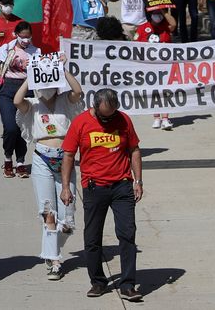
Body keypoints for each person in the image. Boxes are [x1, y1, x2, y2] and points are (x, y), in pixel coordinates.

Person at [61, 88, 144, 301]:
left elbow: (134, 149)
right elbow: (69, 155)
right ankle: (98, 282)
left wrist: (138, 180)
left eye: (112, 115)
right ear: (95, 107)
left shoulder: (123, 120)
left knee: (127, 234)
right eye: (104, 116)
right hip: (94, 187)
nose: (108, 120)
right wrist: (65, 187)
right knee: (92, 238)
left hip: (122, 186)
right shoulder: (80, 123)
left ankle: (127, 285)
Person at [14, 68, 85, 280]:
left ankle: (50, 245)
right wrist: (30, 75)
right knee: (48, 212)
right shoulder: (33, 104)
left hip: (65, 158)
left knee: (67, 219)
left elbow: (78, 91)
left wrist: (63, 70)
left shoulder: (66, 99)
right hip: (42, 157)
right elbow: (17, 101)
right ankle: (54, 259)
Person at [0, 21, 39, 178]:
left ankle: (20, 161)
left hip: (26, 91)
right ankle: (8, 158)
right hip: (7, 89)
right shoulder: (6, 49)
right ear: (16, 35)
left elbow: (42, 71)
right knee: (10, 127)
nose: (26, 40)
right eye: (23, 37)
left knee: (22, 128)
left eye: (29, 37)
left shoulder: (36, 51)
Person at [135, 9, 177, 130]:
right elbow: (135, 45)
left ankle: (165, 118)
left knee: (165, 91)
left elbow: (173, 24)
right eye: (155, 13)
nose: (157, 16)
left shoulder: (166, 26)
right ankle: (156, 118)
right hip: (149, 67)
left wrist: (164, 12)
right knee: (153, 92)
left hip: (165, 66)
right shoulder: (143, 27)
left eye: (159, 14)